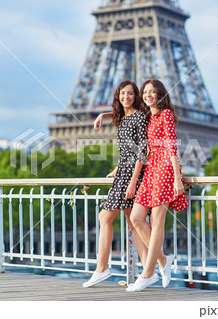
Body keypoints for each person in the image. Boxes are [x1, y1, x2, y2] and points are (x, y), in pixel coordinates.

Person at [83, 80, 149, 287]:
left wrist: (132, 181)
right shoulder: (123, 117)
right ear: (118, 96)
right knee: (131, 223)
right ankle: (149, 270)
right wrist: (103, 115)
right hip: (123, 172)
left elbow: (141, 151)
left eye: (130, 94)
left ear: (136, 96)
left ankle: (102, 269)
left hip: (132, 174)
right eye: (123, 94)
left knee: (105, 216)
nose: (126, 97)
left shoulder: (139, 117)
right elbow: (125, 151)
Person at [126, 79, 189, 292]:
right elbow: (125, 113)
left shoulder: (166, 115)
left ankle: (147, 273)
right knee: (135, 217)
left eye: (152, 91)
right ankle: (162, 261)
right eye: (145, 92)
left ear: (160, 94)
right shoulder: (148, 117)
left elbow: (171, 144)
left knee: (156, 219)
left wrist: (177, 178)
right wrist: (102, 115)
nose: (148, 95)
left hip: (165, 169)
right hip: (151, 168)